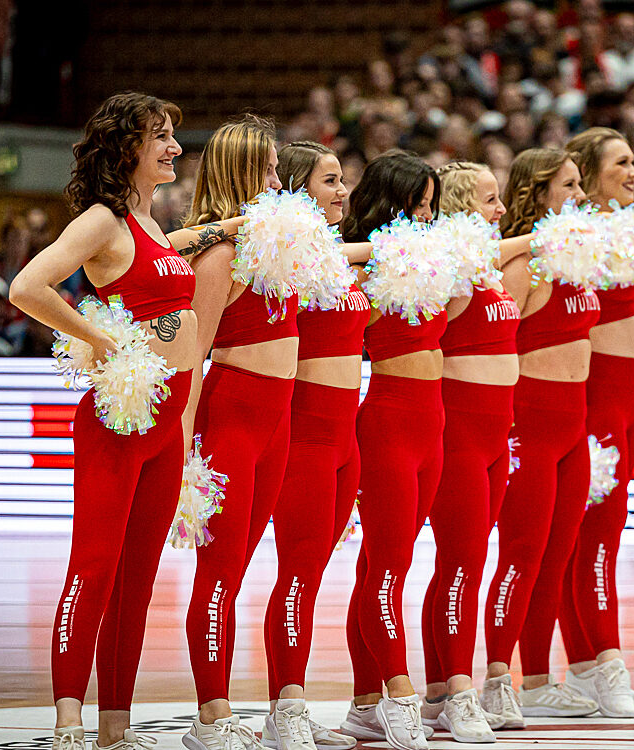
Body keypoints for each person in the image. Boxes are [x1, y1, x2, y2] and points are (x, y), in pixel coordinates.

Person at [8, 92, 196, 750]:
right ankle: (68, 723)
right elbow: (26, 288)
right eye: (161, 136)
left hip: (166, 425)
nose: (174, 147)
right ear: (127, 147)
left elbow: (168, 273)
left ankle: (115, 729)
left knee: (138, 583)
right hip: (120, 421)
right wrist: (101, 337)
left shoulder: (154, 223)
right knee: (93, 568)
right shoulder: (101, 220)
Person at [179, 116, 296, 750]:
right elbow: (193, 357)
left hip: (276, 422)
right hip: (232, 420)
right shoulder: (221, 255)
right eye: (269, 170)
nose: (278, 182)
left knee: (239, 571)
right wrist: (185, 452)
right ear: (242, 173)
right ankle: (212, 715)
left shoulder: (271, 248)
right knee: (219, 573)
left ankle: (222, 710)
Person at [481, 147, 601, 725]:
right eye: (569, 186)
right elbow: (493, 343)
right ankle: (496, 680)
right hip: (529, 426)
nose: (580, 196)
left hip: (573, 427)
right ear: (538, 193)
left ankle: (535, 681)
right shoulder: (523, 264)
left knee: (555, 557)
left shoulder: (574, 258)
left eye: (580, 185)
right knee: (521, 556)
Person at [260, 141, 363, 750]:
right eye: (330, 180)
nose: (343, 190)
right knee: (297, 572)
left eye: (343, 179)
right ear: (297, 189)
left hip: (346, 436)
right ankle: (288, 706)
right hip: (304, 437)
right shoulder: (287, 257)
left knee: (314, 573)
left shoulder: (338, 258)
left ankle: (288, 707)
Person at [340, 150, 443, 750]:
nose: (426, 216)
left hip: (434, 425)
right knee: (387, 569)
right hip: (387, 425)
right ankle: (398, 693)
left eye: (431, 206)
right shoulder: (360, 266)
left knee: (384, 567)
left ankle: (363, 703)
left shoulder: (429, 260)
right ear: (388, 203)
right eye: (416, 205)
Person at [418, 161, 520, 743]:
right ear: (461, 208)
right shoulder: (454, 267)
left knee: (463, 563)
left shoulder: (492, 268)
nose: (500, 210)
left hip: (495, 437)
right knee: (462, 563)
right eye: (489, 200)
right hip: (457, 433)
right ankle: (458, 692)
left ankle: (438, 692)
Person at [557, 127, 634, 719]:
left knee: (598, 538)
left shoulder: (627, 228)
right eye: (622, 163)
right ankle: (605, 660)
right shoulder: (576, 238)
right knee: (595, 536)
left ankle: (587, 665)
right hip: (594, 404)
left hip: (626, 401)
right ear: (590, 176)